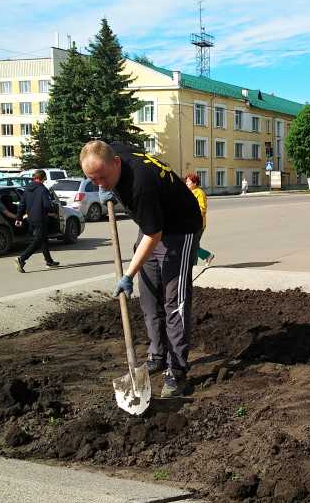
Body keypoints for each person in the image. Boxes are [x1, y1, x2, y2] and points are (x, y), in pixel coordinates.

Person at [80, 140, 202, 398]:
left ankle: (177, 370)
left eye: (103, 177)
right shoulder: (112, 153)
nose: (100, 184)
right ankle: (157, 355)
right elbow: (100, 149)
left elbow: (153, 235)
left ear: (116, 163)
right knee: (148, 298)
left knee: (174, 301)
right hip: (153, 223)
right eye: (93, 180)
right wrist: (107, 185)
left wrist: (127, 275)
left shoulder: (140, 185)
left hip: (180, 228)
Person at [14, 170, 59, 272]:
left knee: (43, 239)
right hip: (40, 218)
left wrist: (19, 218)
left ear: (34, 178)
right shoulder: (43, 189)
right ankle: (21, 259)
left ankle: (49, 261)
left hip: (31, 218)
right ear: (43, 178)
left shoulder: (27, 189)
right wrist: (53, 211)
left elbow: (22, 204)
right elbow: (47, 205)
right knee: (38, 240)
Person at [184, 173, 214, 266]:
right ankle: (206, 257)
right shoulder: (189, 193)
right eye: (186, 181)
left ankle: (195, 264)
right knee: (193, 245)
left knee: (192, 245)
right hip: (190, 224)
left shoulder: (199, 193)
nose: (186, 183)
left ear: (195, 182)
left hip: (198, 224)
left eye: (188, 181)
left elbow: (202, 209)